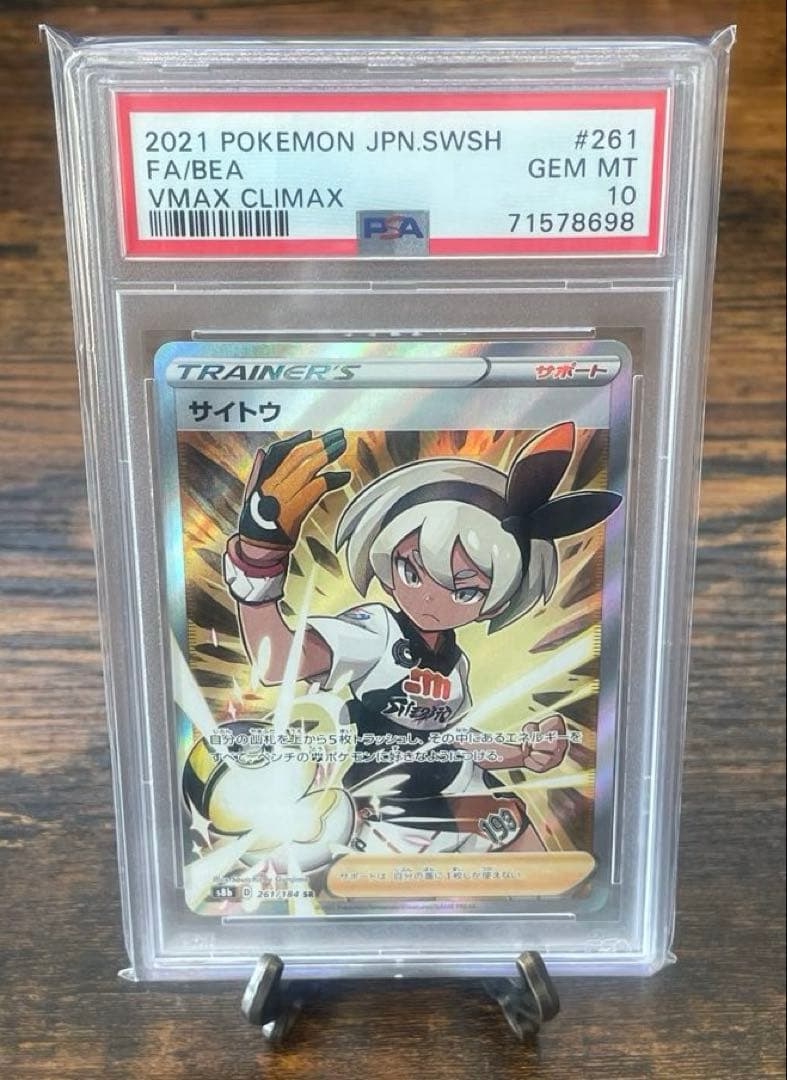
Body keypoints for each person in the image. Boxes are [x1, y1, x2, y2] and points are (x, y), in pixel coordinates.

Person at [223, 421, 621, 855]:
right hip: (383, 809)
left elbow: (451, 740)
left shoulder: (455, 663)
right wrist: (259, 557)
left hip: (456, 794)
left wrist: (524, 752)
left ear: (493, 602)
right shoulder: (376, 631)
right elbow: (276, 662)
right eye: (411, 570)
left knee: (523, 844)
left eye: (465, 590)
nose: (431, 598)